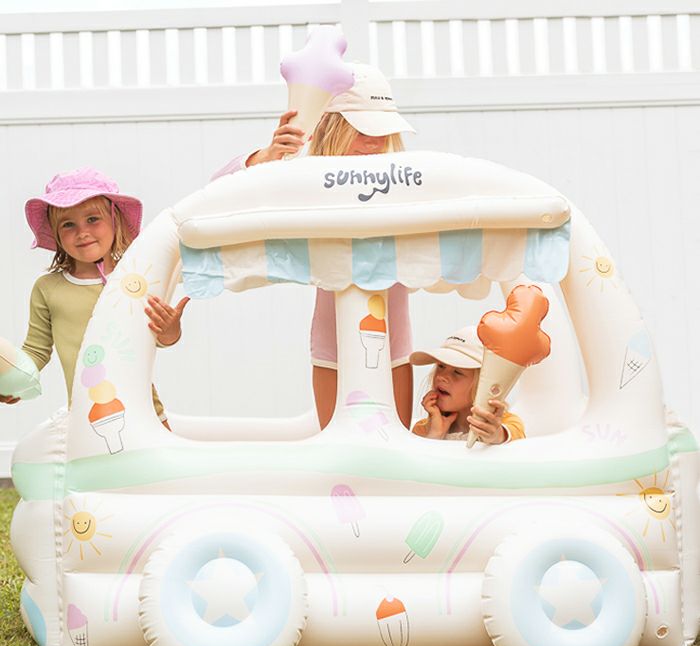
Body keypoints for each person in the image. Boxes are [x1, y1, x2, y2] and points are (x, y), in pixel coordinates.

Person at [211, 63, 415, 429]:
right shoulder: (308, 182)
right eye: (361, 130)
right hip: (331, 345)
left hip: (394, 344)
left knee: (396, 441)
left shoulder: (404, 183)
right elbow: (216, 194)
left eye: (382, 132)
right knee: (336, 440)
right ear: (331, 128)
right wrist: (266, 158)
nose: (373, 142)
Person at [0, 168, 188, 427]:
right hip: (87, 417)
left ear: (115, 220)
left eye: (92, 219)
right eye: (68, 224)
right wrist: (13, 380)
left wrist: (170, 330)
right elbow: (36, 350)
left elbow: (158, 340)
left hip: (147, 413)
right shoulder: (48, 289)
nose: (82, 232)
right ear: (56, 233)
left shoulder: (133, 278)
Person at [410, 326, 525, 444]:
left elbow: (513, 441)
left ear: (483, 384)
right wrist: (435, 435)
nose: (441, 377)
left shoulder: (507, 424)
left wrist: (496, 435)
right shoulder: (423, 429)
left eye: (457, 372)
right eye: (441, 366)